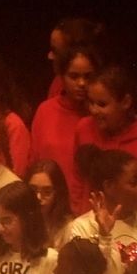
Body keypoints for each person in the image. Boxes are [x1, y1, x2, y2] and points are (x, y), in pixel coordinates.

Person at [76, 66, 137, 193]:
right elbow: (78, 179)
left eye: (102, 104)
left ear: (125, 102)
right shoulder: (84, 128)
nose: (93, 110)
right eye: (91, 102)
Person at [31, 44, 99, 211]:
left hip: (89, 210)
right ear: (61, 76)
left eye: (88, 76)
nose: (81, 83)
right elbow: (34, 161)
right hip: (49, 207)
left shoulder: (100, 117)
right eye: (74, 76)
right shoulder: (45, 110)